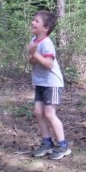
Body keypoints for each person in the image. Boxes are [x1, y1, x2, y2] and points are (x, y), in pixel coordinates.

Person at [27, 10, 71, 160]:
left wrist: (35, 54)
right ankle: (47, 142)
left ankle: (63, 145)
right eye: (33, 20)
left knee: (49, 113)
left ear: (45, 28)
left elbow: (49, 64)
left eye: (37, 21)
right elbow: (32, 61)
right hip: (40, 83)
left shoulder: (47, 43)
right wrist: (32, 55)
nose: (33, 23)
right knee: (38, 112)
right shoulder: (34, 40)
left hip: (52, 84)